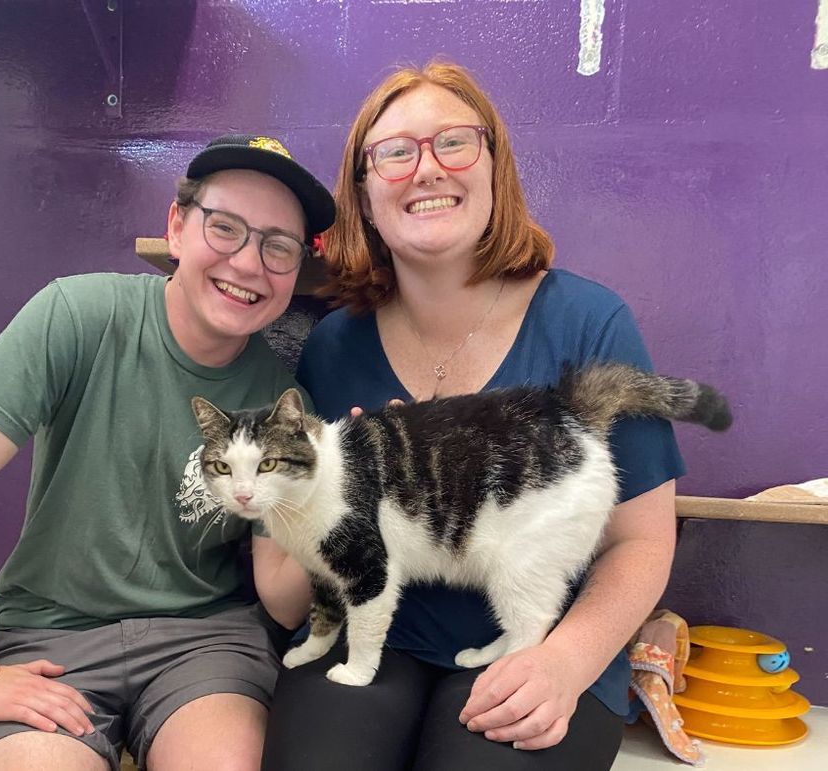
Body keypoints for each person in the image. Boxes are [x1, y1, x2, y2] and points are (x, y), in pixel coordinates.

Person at [260, 63, 684, 771]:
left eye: (453, 142)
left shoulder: (588, 323)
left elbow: (640, 542)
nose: (426, 168)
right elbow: (283, 588)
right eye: (394, 151)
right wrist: (331, 504)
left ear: (495, 168)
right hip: (379, 635)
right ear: (363, 193)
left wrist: (567, 662)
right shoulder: (334, 345)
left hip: (543, 642)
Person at [0, 134, 333, 771]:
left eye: (278, 247)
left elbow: (282, 600)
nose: (248, 264)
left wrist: (340, 496)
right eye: (225, 228)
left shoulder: (284, 403)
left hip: (206, 645)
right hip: (49, 637)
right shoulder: (78, 314)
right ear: (178, 227)